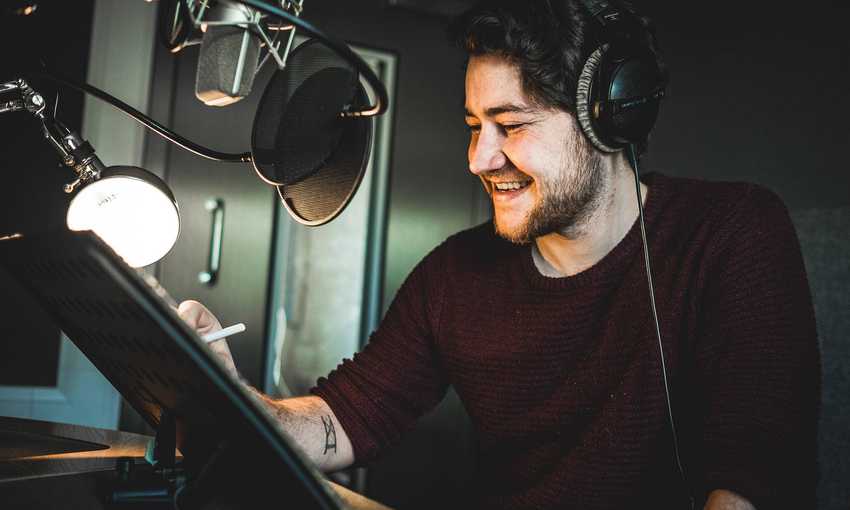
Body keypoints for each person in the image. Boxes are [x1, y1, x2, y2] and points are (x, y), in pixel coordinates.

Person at [179, 1, 820, 508]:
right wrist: (233, 400)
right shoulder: (456, 276)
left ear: (609, 119)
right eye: (472, 126)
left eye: (510, 126)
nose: (479, 159)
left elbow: (755, 470)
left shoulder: (732, 231)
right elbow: (348, 416)